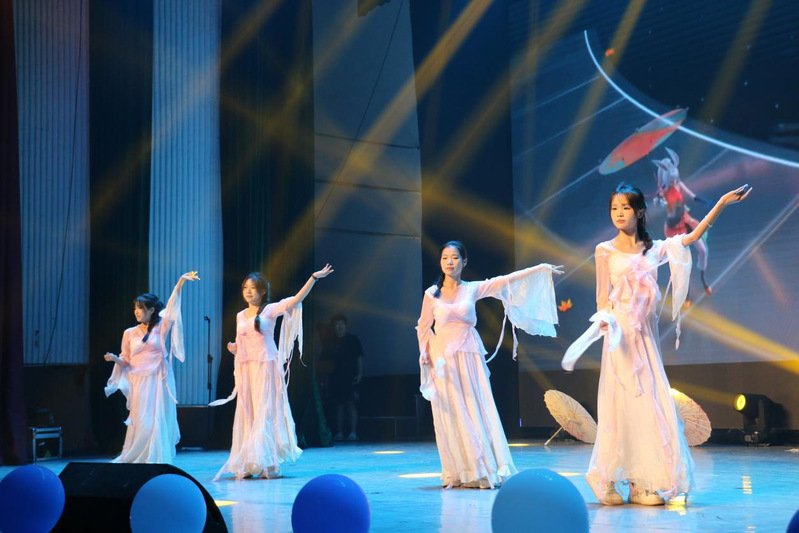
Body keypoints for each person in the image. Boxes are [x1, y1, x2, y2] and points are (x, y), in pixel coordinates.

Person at [563, 182, 752, 505]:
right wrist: (606, 322)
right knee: (622, 406)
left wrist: (720, 202)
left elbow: (691, 238)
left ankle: (641, 482)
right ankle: (605, 478)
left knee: (649, 408)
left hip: (645, 341)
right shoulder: (604, 250)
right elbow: (601, 300)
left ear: (639, 212)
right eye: (614, 208)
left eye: (625, 207)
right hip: (620, 342)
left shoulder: (655, 249)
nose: (618, 213)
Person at [417, 241, 562, 489]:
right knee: (453, 413)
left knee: (476, 409)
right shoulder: (432, 294)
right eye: (445, 257)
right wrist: (424, 352)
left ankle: (481, 469)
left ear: (464, 262)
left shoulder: (472, 289)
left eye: (454, 257)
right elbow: (422, 326)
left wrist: (539, 269)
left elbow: (505, 281)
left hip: (469, 358)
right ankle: (460, 470)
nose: (449, 262)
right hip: (444, 361)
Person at [210, 264, 334, 481]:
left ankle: (269, 463)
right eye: (246, 288)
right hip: (247, 369)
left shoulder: (270, 310)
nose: (249, 291)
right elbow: (242, 343)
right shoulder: (240, 315)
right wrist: (235, 348)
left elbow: (296, 300)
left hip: (266, 367)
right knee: (249, 414)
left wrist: (314, 277)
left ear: (262, 291)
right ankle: (250, 462)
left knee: (265, 414)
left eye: (253, 288)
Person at [104, 270, 200, 464]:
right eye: (135, 308)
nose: (137, 311)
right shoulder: (129, 333)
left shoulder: (160, 328)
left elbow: (172, 308)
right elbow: (126, 360)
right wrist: (114, 358)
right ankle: (136, 453)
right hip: (138, 380)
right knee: (140, 419)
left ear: (152, 310)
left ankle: (155, 455)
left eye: (141, 308)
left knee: (156, 418)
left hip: (157, 378)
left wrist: (180, 283)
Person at [653, 148, 713, 299]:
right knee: (682, 262)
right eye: (671, 180)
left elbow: (691, 195)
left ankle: (703, 279)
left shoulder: (678, 184)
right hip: (673, 227)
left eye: (675, 179)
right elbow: (659, 204)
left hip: (686, 221)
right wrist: (659, 199)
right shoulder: (663, 192)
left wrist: (703, 201)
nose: (674, 182)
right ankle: (685, 294)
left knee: (702, 250)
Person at [324, 315, 364, 441]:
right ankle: (340, 433)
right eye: (337, 324)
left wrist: (360, 374)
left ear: (346, 326)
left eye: (342, 324)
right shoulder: (330, 342)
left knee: (351, 403)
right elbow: (326, 362)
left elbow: (359, 357)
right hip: (336, 377)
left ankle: (353, 432)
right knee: (339, 405)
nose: (339, 327)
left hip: (351, 377)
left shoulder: (353, 340)